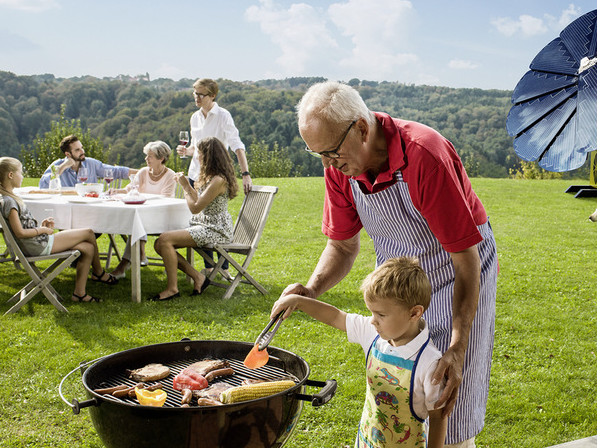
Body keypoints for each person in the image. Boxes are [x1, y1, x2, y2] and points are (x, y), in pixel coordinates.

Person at [283, 81, 498, 448]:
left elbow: (466, 261)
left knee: (445, 394)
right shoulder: (339, 166)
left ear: (362, 129)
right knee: (399, 382)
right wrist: (311, 289)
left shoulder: (424, 155)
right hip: (398, 281)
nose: (328, 164)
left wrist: (459, 345)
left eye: (331, 152)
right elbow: (342, 245)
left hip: (456, 269)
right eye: (318, 154)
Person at [273, 256, 447, 448]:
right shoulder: (373, 333)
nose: (372, 320)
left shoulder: (429, 362)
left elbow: (438, 418)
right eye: (371, 312)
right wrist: (299, 301)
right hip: (366, 441)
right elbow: (335, 316)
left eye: (381, 314)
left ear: (414, 313)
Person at [0, 157, 119, 302]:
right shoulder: (9, 201)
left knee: (88, 247)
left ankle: (79, 294)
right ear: (10, 175)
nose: (23, 176)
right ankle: (99, 273)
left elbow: (23, 227)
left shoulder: (9, 197)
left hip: (35, 243)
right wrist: (42, 231)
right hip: (37, 246)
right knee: (88, 232)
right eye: (20, 172)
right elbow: (20, 233)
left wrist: (41, 227)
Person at [152, 137, 238, 301]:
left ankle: (172, 289)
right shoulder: (210, 176)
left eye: (199, 153)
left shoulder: (218, 180)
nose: (197, 156)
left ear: (208, 155)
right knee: (160, 243)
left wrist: (185, 187)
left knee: (164, 240)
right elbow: (199, 200)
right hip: (204, 224)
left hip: (215, 229)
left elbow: (195, 207)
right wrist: (188, 187)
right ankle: (198, 278)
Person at [108, 141, 177, 279]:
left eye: (150, 156)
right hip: (141, 215)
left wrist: (143, 198)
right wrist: (116, 191)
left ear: (161, 158)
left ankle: (124, 265)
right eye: (146, 155)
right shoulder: (143, 172)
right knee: (137, 220)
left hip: (162, 218)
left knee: (137, 221)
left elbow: (165, 200)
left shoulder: (170, 175)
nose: (146, 159)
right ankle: (139, 254)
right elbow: (128, 190)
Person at [178, 78, 252, 194]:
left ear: (212, 95)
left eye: (201, 95)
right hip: (194, 174)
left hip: (214, 176)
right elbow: (195, 149)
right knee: (193, 211)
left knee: (210, 211)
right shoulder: (195, 117)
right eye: (195, 94)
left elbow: (237, 146)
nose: (197, 98)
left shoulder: (223, 116)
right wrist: (186, 151)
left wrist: (245, 174)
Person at [39, 135, 136, 188]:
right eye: (77, 150)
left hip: (89, 207)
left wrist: (145, 171)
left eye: (81, 148)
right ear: (68, 154)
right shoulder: (58, 165)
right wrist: (63, 167)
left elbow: (116, 171)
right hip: (65, 207)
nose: (82, 152)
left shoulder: (91, 163)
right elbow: (43, 185)